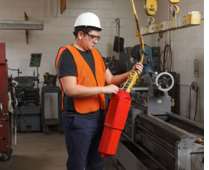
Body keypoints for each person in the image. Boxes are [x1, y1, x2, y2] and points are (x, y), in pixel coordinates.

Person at [55, 12, 143, 170]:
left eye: (98, 37)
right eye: (93, 37)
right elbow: (71, 89)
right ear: (80, 34)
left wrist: (131, 73)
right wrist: (103, 89)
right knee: (77, 164)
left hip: (99, 117)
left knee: (97, 163)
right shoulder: (67, 55)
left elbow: (110, 80)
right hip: (78, 119)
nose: (96, 41)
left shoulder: (96, 55)